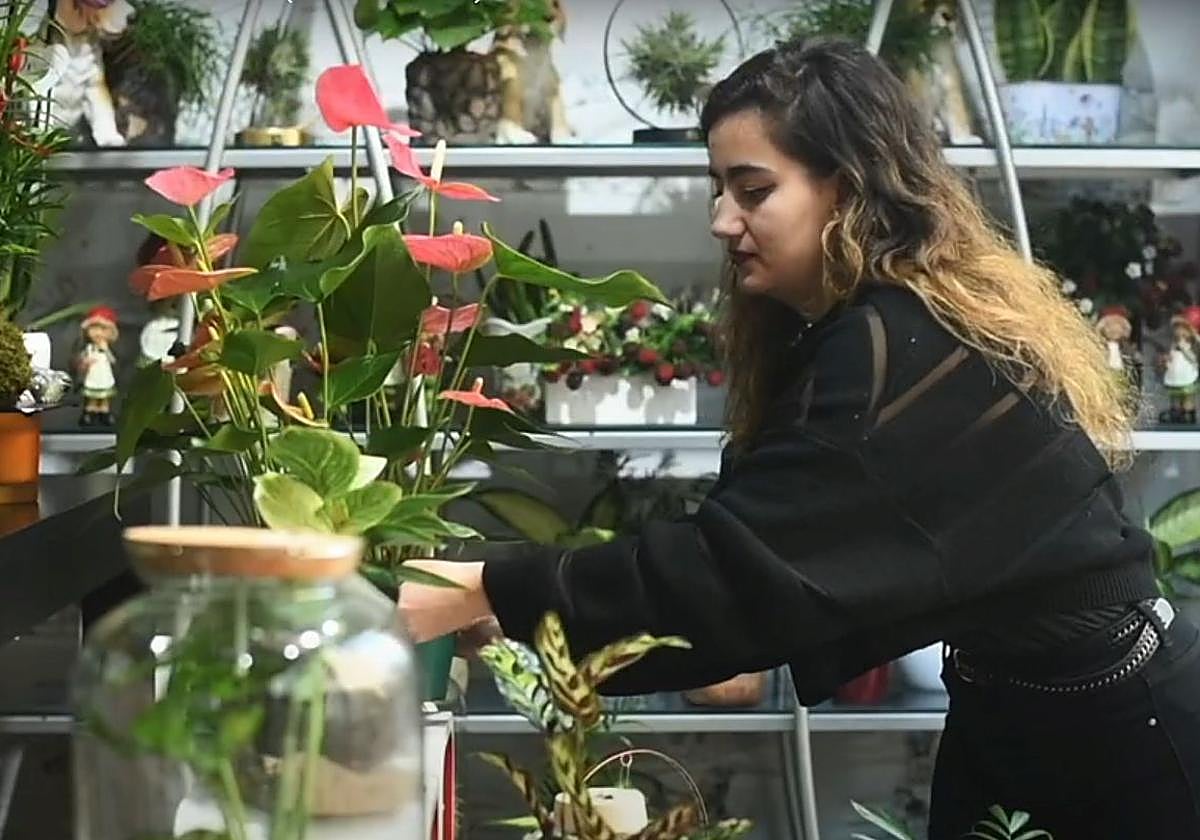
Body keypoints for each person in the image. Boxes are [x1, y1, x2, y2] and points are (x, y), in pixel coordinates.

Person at [400, 38, 1200, 838]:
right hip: (1026, 715)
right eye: (718, 189)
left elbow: (731, 572)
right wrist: (519, 604)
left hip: (1122, 743)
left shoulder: (904, 346)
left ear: (849, 190)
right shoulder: (892, 327)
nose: (721, 220)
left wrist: (492, 587)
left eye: (752, 190)